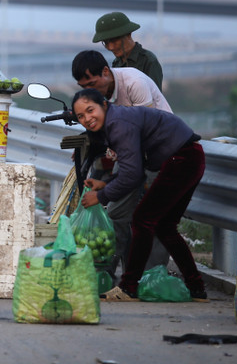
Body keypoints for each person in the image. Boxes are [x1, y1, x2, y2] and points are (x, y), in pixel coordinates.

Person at [73, 88, 207, 302]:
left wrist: (101, 196)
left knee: (142, 221)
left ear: (104, 105)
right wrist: (105, 184)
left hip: (181, 160)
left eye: (91, 110)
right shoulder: (116, 120)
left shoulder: (118, 125)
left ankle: (128, 288)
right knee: (164, 227)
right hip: (189, 158)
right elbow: (131, 167)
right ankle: (197, 289)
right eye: (81, 116)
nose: (87, 119)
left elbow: (133, 175)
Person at [71, 48, 172, 275]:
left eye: (93, 83)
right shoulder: (100, 97)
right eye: (83, 87)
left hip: (158, 153)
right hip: (130, 155)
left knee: (153, 217)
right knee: (116, 213)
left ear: (106, 72)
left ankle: (150, 278)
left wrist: (107, 188)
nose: (90, 91)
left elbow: (145, 129)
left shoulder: (134, 82)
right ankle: (103, 272)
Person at [92, 12, 163, 89]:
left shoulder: (148, 60)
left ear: (128, 34)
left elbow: (155, 96)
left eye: (114, 41)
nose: (111, 47)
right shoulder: (117, 62)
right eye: (106, 43)